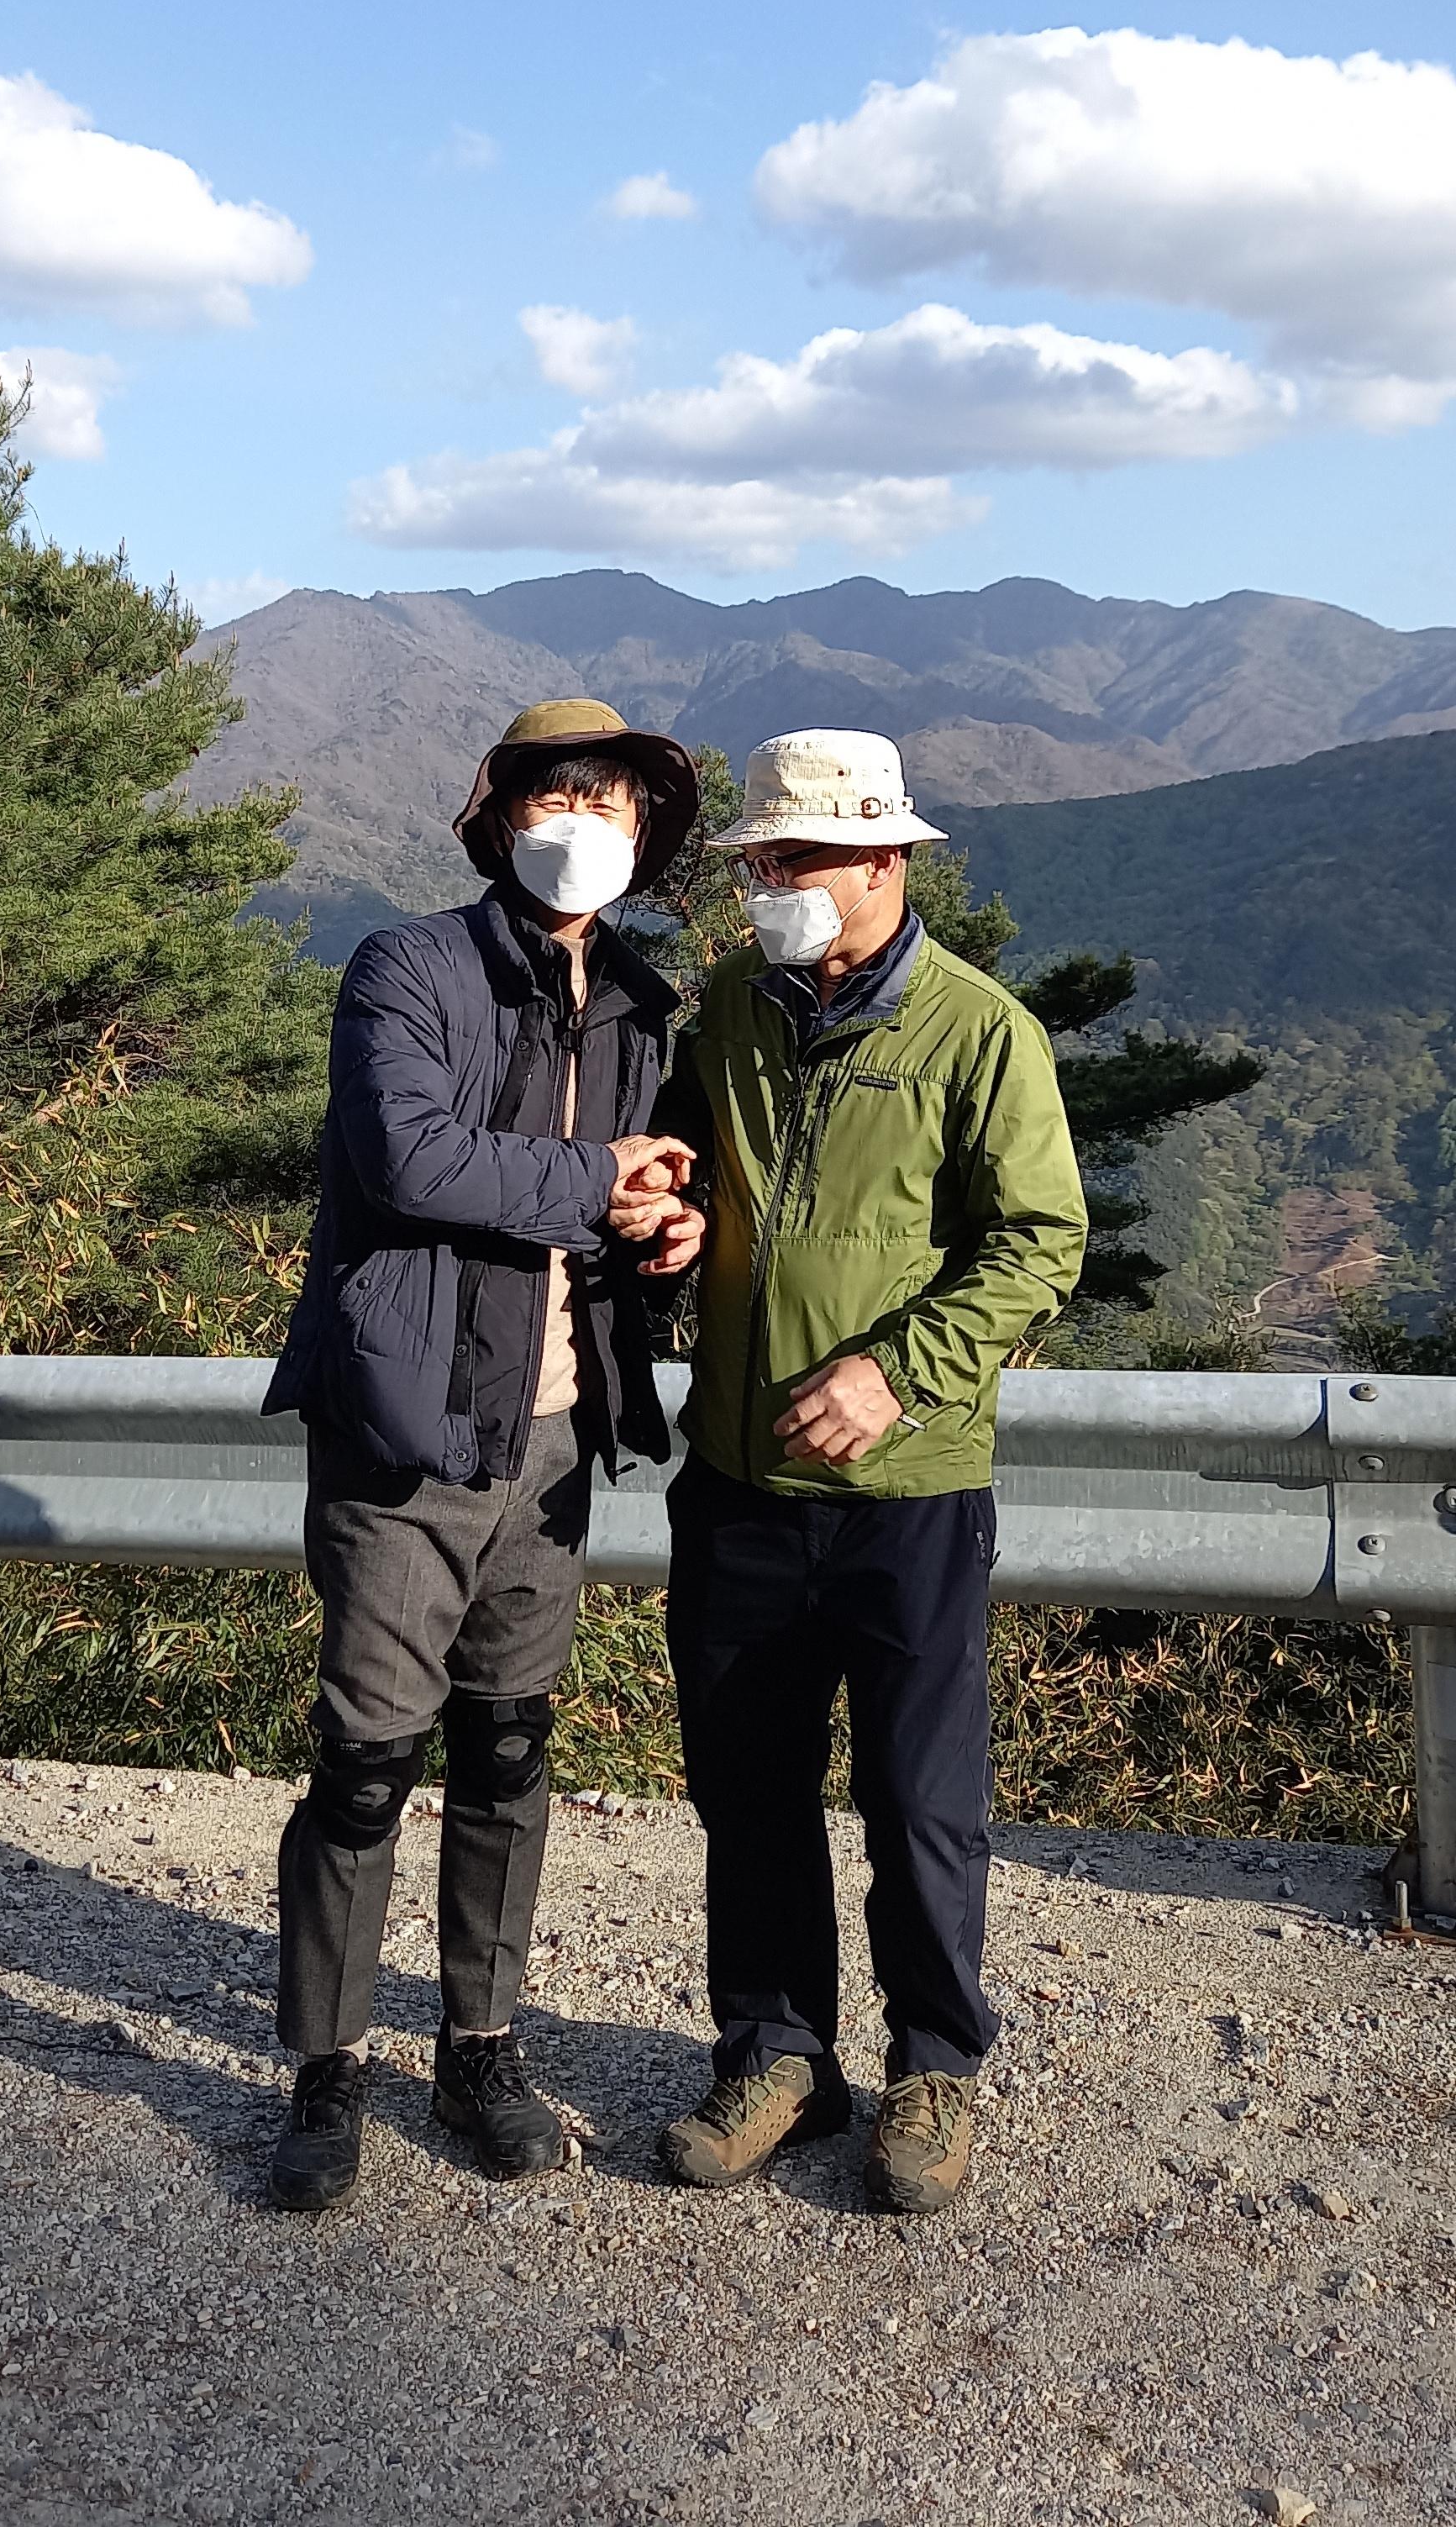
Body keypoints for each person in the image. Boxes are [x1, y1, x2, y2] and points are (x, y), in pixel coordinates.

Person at [261, 698, 700, 2211]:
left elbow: (616, 1210)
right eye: (555, 797)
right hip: (407, 1433)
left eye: (613, 803)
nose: (586, 825)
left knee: (509, 1749)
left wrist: (664, 1229)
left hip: (558, 1433)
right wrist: (598, 1174)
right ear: (502, 817)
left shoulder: (640, 1002)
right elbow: (411, 1157)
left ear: (643, 834)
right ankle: (326, 2068)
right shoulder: (408, 968)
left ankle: (480, 2045)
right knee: (367, 1763)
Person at [647, 727, 1088, 2214]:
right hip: (738, 1478)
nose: (770, 884)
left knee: (919, 1800)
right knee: (749, 1791)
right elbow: (689, 1170)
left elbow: (1041, 1242)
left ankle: (934, 2068)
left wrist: (894, 1370)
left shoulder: (978, 1032)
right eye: (761, 861)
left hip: (909, 1490)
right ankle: (780, 2057)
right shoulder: (732, 1008)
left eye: (801, 860)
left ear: (886, 862)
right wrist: (673, 1224)